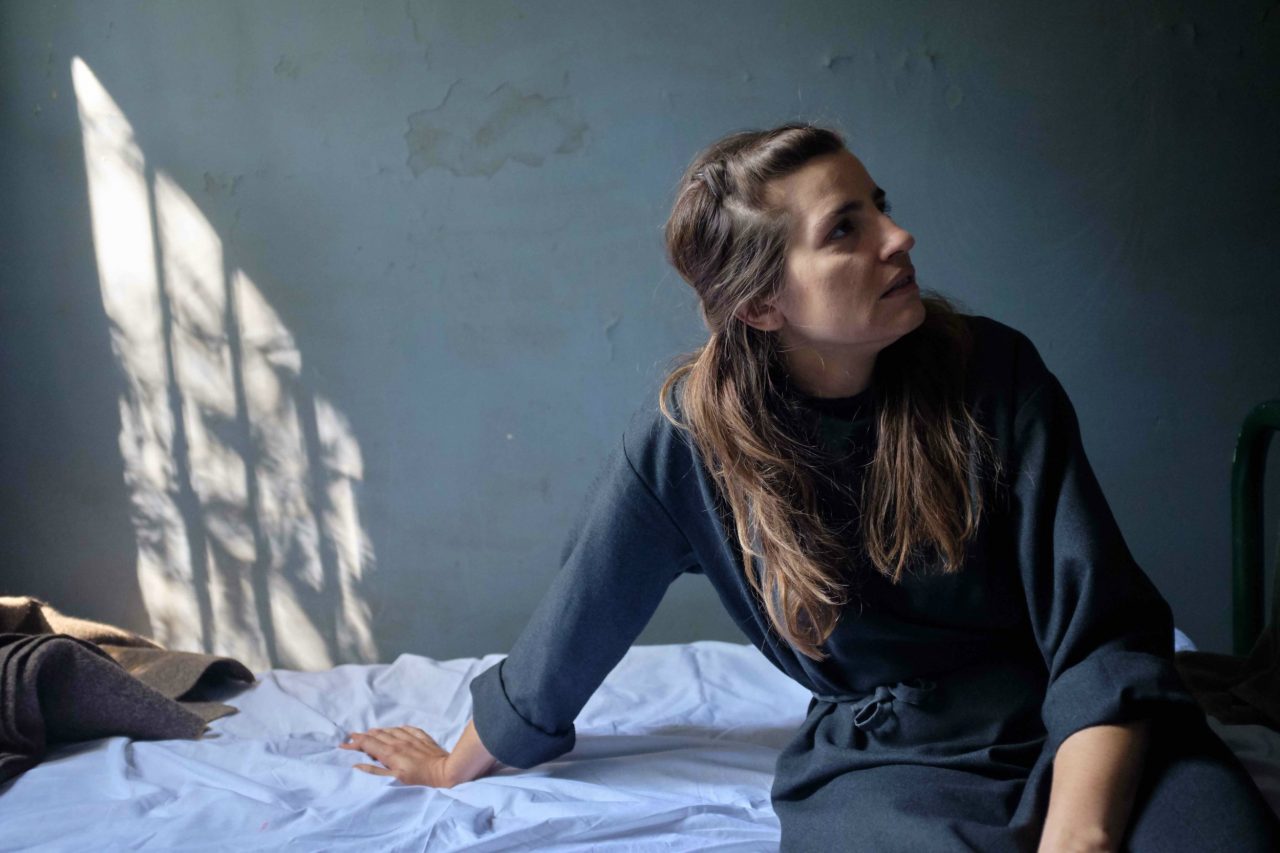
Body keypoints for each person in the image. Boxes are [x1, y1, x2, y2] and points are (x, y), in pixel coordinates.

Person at [341, 123, 1280, 851]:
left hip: (1089, 728)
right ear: (761, 303)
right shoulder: (689, 443)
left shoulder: (994, 372)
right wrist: (457, 764)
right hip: (894, 763)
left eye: (880, 205)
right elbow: (580, 618)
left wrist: (1081, 835)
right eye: (846, 230)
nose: (899, 236)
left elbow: (1102, 634)